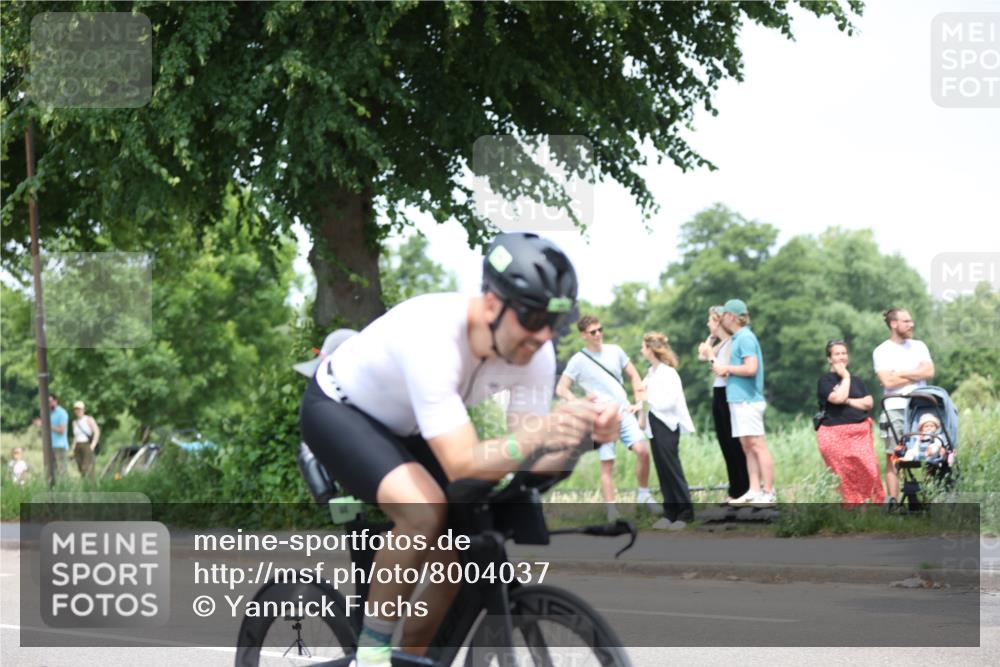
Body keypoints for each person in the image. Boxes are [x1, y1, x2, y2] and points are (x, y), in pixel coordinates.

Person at [298, 232, 619, 667]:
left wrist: (582, 438)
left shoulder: (534, 353)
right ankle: (370, 656)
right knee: (424, 510)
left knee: (462, 546)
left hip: (412, 426)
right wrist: (541, 432)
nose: (542, 335)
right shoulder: (434, 336)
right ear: (491, 304)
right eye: (531, 318)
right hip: (339, 410)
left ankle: (410, 658)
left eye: (554, 324)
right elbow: (466, 461)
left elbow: (525, 466)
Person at [556, 315, 656, 520]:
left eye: (600, 329)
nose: (599, 334)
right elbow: (561, 388)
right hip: (601, 417)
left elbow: (634, 376)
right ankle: (612, 511)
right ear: (584, 335)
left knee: (643, 451)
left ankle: (644, 495)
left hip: (624, 411)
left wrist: (639, 401)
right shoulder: (578, 360)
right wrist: (578, 402)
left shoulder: (615, 351)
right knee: (607, 463)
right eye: (593, 332)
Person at [712, 299, 776, 506]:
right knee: (747, 446)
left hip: (749, 400)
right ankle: (754, 489)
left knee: (758, 445)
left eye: (723, 316)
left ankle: (768, 491)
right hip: (737, 399)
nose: (721, 320)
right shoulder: (738, 338)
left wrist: (727, 368)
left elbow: (751, 368)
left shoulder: (746, 338)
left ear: (731, 316)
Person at [872, 307, 935, 503]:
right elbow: (888, 382)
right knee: (894, 455)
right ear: (894, 324)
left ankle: (931, 496)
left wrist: (899, 373)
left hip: (921, 405)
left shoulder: (919, 346)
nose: (911, 324)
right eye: (906, 321)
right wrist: (915, 372)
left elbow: (929, 371)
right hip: (895, 407)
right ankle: (893, 501)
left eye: (911, 321)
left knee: (930, 449)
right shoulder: (882, 351)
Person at [815, 340, 884, 505]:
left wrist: (848, 400)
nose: (841, 357)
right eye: (837, 354)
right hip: (834, 433)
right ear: (829, 359)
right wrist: (845, 377)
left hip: (860, 433)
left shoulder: (858, 381)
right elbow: (836, 398)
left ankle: (872, 508)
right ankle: (852, 511)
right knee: (845, 475)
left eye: (844, 353)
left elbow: (868, 402)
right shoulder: (825, 381)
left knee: (870, 470)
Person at [640, 332, 695, 530]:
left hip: (667, 424)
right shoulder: (651, 372)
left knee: (672, 468)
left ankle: (685, 513)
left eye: (643, 347)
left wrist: (647, 401)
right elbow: (644, 399)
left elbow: (670, 401)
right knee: (662, 469)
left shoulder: (668, 373)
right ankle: (670, 513)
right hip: (654, 425)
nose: (641, 350)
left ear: (651, 349)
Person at [697, 305, 749, 503]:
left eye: (710, 320)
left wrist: (711, 355)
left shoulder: (733, 343)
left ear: (717, 321)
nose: (707, 323)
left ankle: (741, 489)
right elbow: (702, 355)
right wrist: (711, 340)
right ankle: (735, 488)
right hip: (718, 393)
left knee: (732, 442)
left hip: (727, 393)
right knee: (724, 442)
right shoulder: (724, 342)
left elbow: (722, 370)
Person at [71, 401, 101, 479]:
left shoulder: (89, 419)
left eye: (80, 409)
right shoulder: (75, 422)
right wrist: (73, 447)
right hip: (78, 445)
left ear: (83, 410)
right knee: (80, 468)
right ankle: (85, 484)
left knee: (88, 467)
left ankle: (92, 487)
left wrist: (93, 444)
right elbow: (75, 436)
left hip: (87, 444)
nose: (78, 411)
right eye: (76, 409)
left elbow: (96, 431)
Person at [48, 394, 69, 479]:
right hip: (50, 446)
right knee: (52, 472)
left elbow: (62, 431)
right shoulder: (49, 413)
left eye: (50, 402)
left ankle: (65, 490)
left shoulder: (62, 413)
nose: (48, 404)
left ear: (55, 401)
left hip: (59, 446)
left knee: (62, 472)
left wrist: (46, 425)